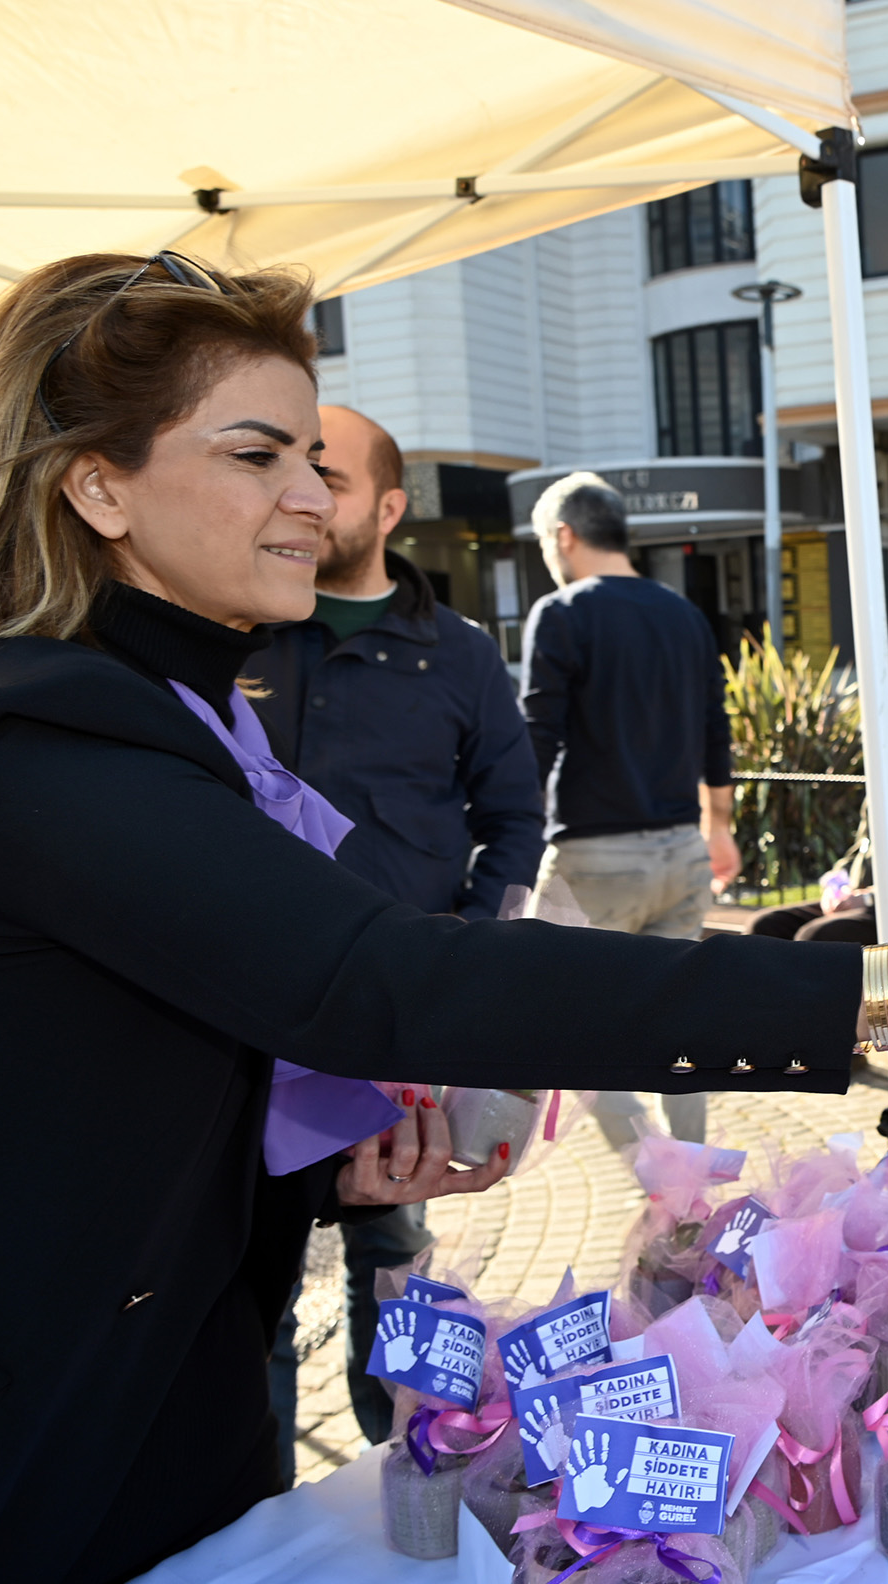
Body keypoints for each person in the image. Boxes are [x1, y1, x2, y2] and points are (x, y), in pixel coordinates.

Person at [0, 251, 888, 1584]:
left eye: (313, 460)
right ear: (97, 487)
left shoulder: (174, 713)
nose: (311, 499)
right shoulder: (40, 740)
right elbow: (380, 978)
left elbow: (93, 1071)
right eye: (254, 455)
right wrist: (883, 984)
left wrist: (313, 1166)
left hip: (136, 1409)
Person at [240, 403, 545, 1466]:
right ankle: (262, 1493)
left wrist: (464, 943)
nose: (302, 494)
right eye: (280, 465)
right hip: (253, 1011)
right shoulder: (238, 627)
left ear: (388, 507)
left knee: (393, 1249)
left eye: (327, 475)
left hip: (396, 1021)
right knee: (257, 1271)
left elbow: (515, 816)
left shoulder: (455, 653)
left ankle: (399, 1466)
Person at [520, 472, 738, 1145]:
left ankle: (656, 1170)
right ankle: (690, 1166)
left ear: (564, 536)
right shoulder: (684, 614)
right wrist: (720, 828)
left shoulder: (561, 612)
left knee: (559, 1014)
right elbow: (716, 728)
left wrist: (508, 835)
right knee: (677, 1019)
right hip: (683, 852)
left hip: (596, 858)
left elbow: (537, 737)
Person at [749, 708, 888, 944]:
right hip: (857, 898)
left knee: (814, 936)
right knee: (764, 925)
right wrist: (835, 885)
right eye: (885, 743)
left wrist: (870, 898)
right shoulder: (883, 789)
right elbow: (860, 849)